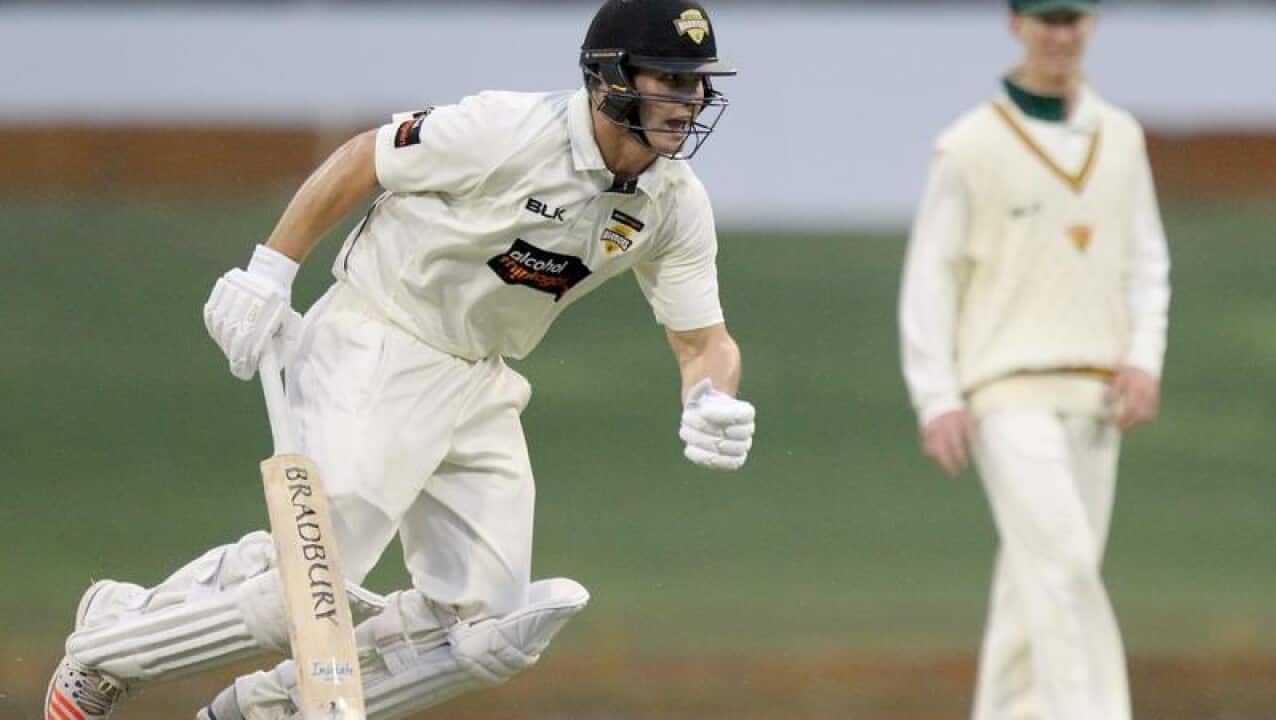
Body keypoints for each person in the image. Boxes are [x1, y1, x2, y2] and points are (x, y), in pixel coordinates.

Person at [44, 2, 756, 718]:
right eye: (668, 79)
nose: (686, 102)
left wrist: (710, 399)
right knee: (318, 567)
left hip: (479, 374)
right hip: (379, 333)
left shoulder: (672, 203)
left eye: (695, 84)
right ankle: (108, 650)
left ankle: (259, 710)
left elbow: (703, 342)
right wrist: (271, 269)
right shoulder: (507, 131)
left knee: (490, 631)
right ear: (608, 80)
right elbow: (366, 158)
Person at [898, 1, 1170, 718]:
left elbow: (1146, 262)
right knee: (1065, 566)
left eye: (1073, 18)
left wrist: (1144, 359)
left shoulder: (1121, 136)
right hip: (1006, 391)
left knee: (1032, 584)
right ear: (1016, 24)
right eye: (1047, 18)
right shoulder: (968, 146)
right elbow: (930, 279)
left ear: (1092, 24)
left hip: (1099, 392)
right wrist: (938, 398)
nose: (1061, 34)